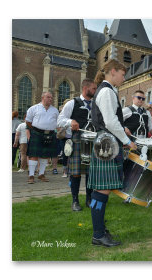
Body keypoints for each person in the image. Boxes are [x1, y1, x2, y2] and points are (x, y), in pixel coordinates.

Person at [87, 59, 137, 247]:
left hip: (106, 141)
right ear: (113, 71)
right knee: (102, 189)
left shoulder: (105, 90)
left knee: (102, 188)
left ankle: (99, 230)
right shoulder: (107, 91)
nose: (124, 78)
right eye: (123, 74)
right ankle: (98, 234)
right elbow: (110, 121)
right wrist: (127, 141)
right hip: (107, 141)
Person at [57, 78, 97, 211]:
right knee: (76, 173)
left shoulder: (96, 104)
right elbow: (60, 120)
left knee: (91, 172)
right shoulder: (72, 103)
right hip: (78, 140)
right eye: (93, 89)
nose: (95, 91)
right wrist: (71, 122)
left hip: (93, 141)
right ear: (86, 89)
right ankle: (75, 201)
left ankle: (89, 199)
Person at [25, 92, 59, 184]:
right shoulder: (34, 108)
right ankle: (31, 175)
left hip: (50, 134)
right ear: (42, 97)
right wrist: (36, 130)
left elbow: (57, 122)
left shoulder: (55, 110)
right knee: (34, 155)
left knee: (45, 155)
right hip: (37, 133)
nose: (50, 99)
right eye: (48, 97)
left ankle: (41, 174)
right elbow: (28, 121)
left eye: (51, 98)